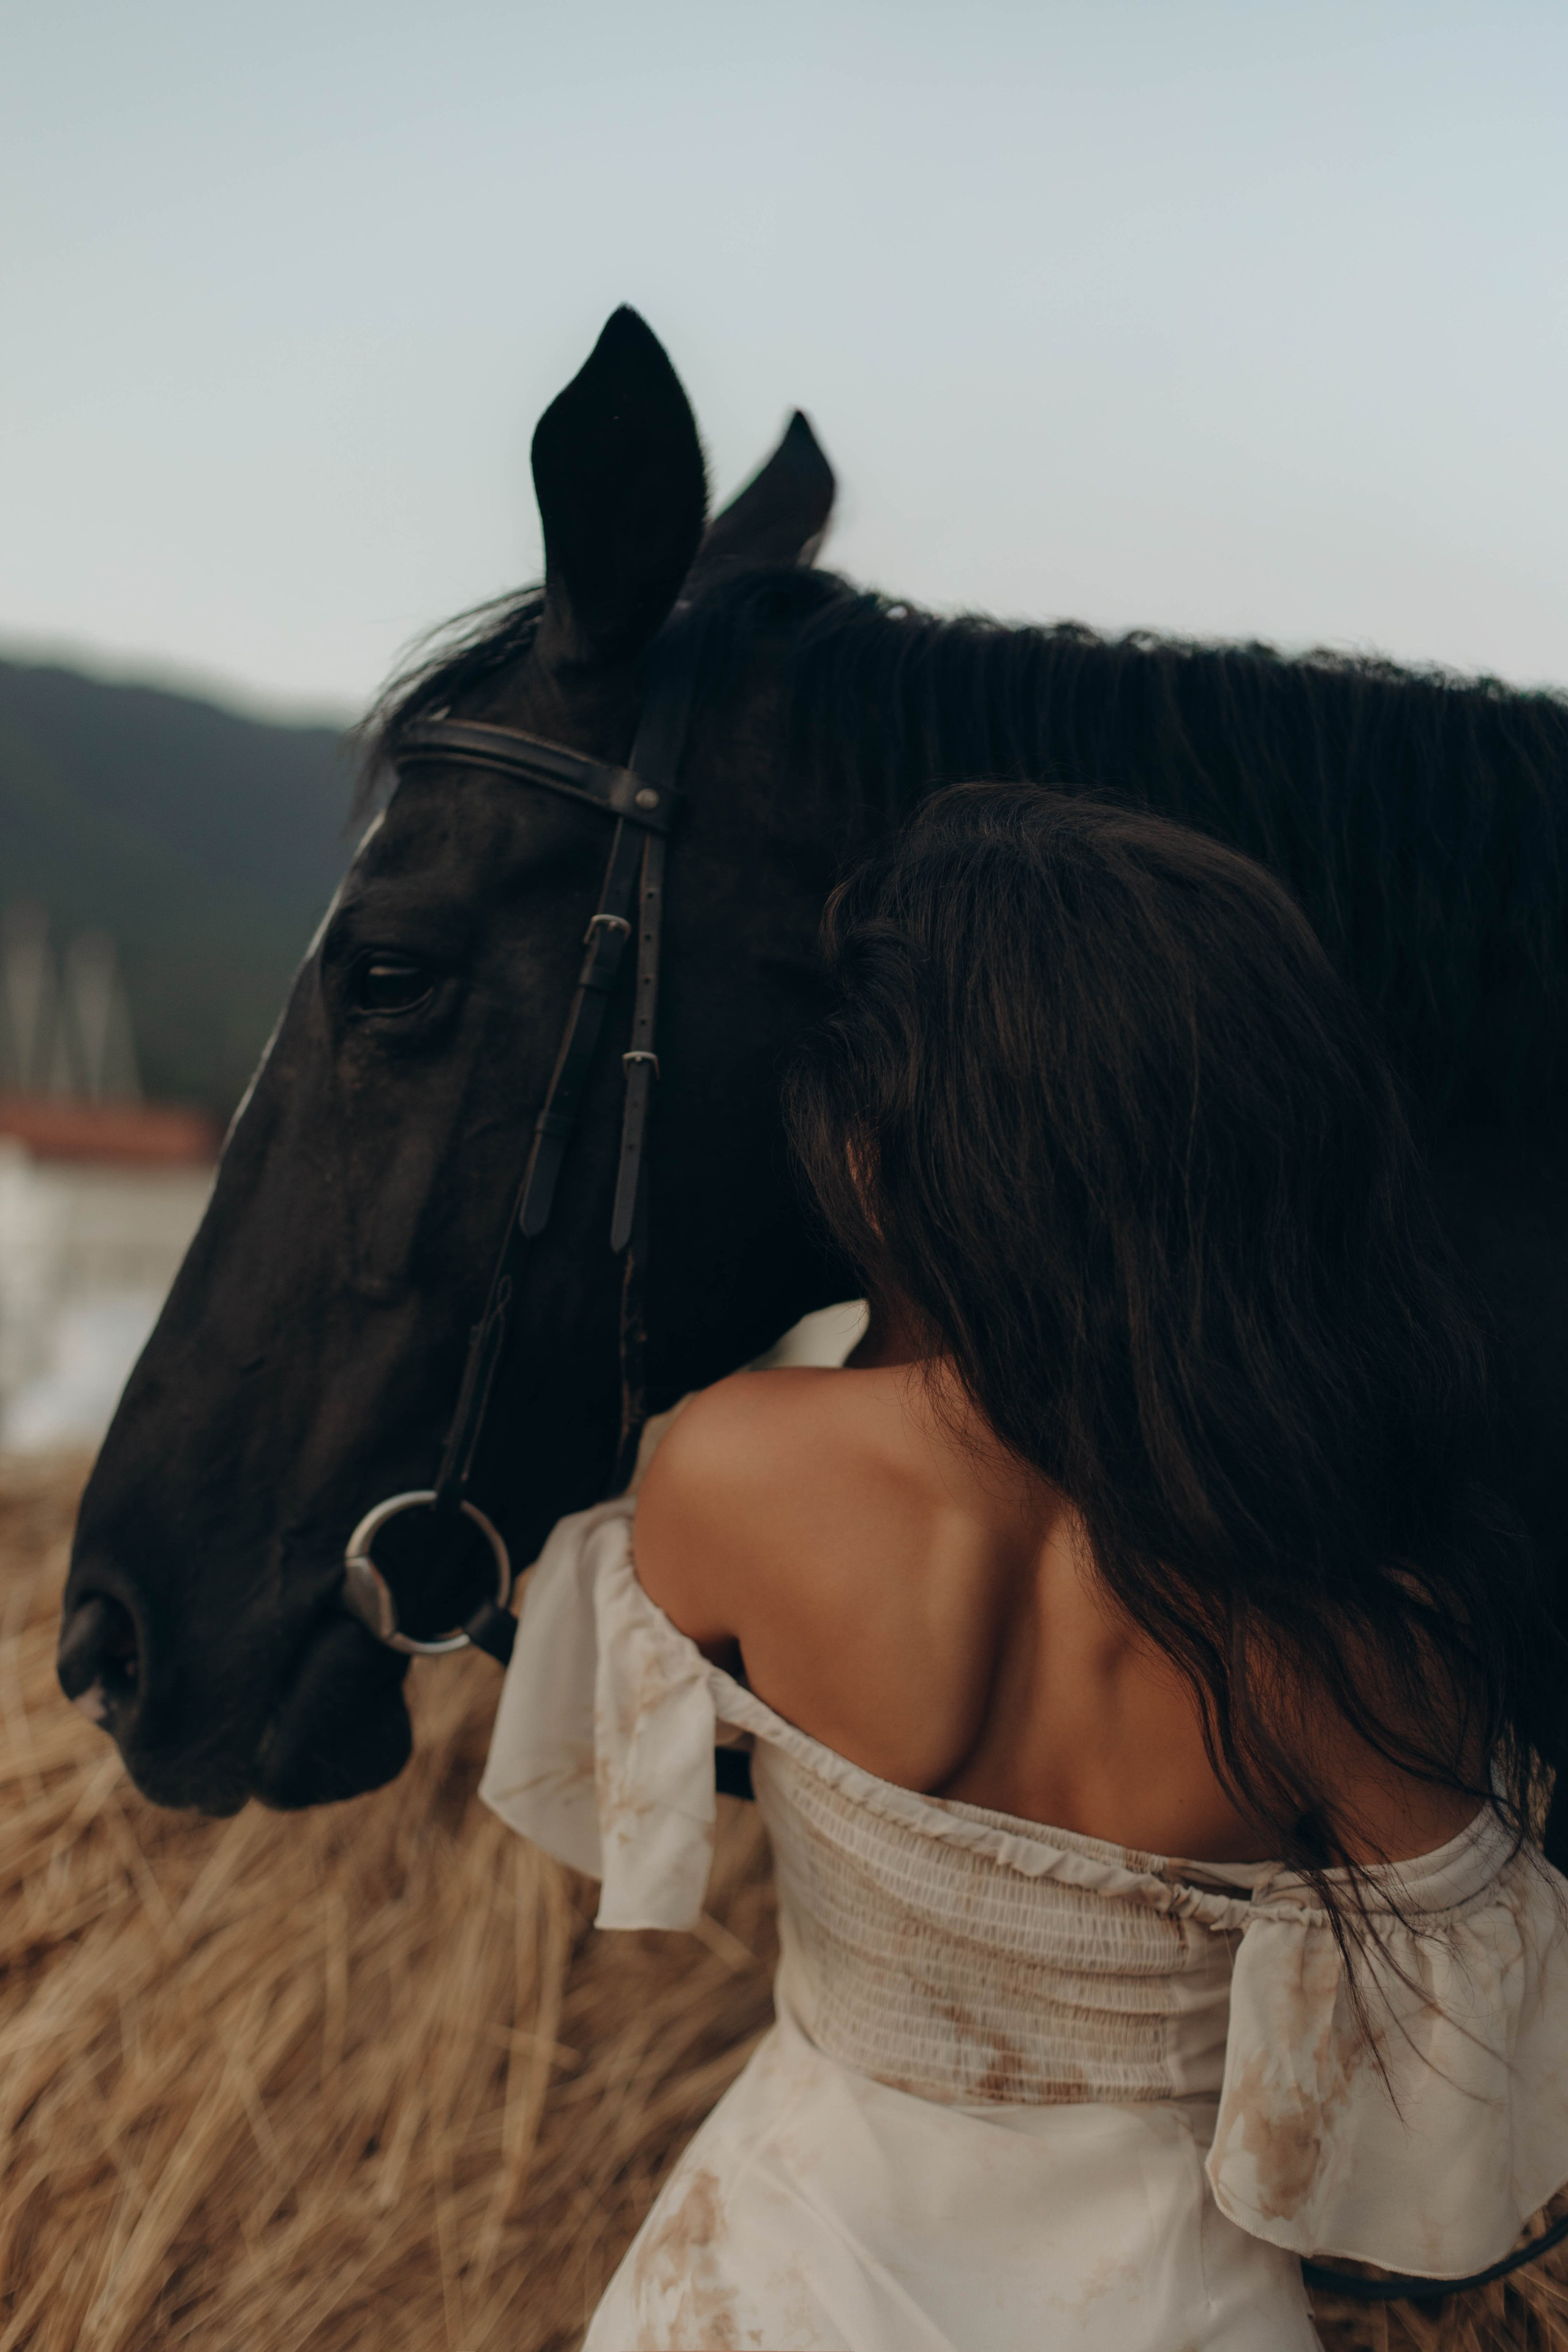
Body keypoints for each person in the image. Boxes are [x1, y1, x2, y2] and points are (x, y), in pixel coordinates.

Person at [481, 785, 1568, 2351]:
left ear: (880, 1148)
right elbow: (1444, 2149)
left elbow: (634, 1772)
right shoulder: (1368, 1629)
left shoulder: (730, 1469)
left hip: (772, 2282)